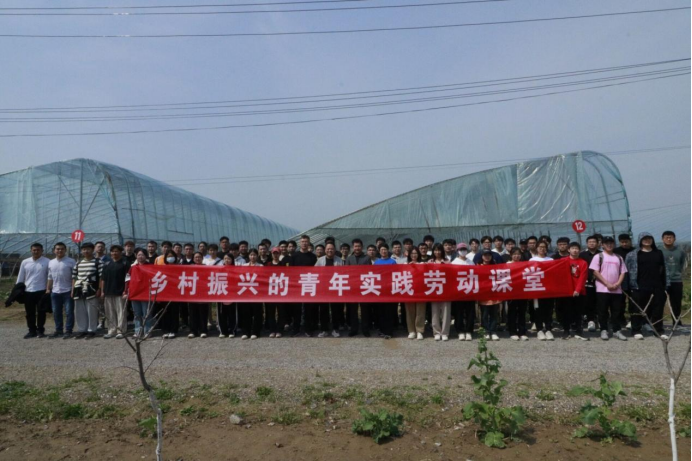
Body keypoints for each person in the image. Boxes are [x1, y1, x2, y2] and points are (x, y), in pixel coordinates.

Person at [625, 233, 668, 340]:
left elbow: (664, 269)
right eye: (644, 239)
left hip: (657, 285)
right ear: (640, 240)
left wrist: (665, 284)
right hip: (639, 286)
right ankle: (636, 329)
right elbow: (627, 270)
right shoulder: (633, 254)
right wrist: (627, 286)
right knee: (637, 309)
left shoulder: (658, 253)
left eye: (649, 238)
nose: (647, 240)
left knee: (658, 309)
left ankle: (658, 330)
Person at [590, 236, 628, 341]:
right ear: (602, 245)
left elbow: (623, 272)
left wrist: (617, 284)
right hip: (602, 289)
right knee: (602, 311)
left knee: (616, 311)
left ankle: (617, 330)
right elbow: (595, 271)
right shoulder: (598, 256)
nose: (609, 245)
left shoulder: (619, 257)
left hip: (617, 289)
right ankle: (604, 329)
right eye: (607, 243)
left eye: (611, 243)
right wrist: (607, 283)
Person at [17, 243, 50, 339]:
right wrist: (18, 289)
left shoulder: (47, 261)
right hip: (28, 291)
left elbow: (50, 276)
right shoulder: (25, 262)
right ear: (31, 251)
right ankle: (31, 331)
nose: (36, 252)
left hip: (42, 291)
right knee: (29, 313)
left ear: (42, 251)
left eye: (38, 250)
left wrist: (49, 289)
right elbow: (21, 276)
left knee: (41, 312)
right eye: (34, 250)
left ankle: (40, 330)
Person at [558, 243, 589, 341]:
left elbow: (583, 278)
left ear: (579, 250)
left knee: (578, 312)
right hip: (566, 291)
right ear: (569, 250)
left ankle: (579, 331)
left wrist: (577, 290)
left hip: (579, 291)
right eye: (573, 248)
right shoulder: (563, 261)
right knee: (566, 312)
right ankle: (566, 330)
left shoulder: (583, 262)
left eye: (576, 248)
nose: (575, 250)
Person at [72, 242, 103, 340]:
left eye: (88, 249)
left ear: (92, 250)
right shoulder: (78, 263)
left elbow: (101, 277)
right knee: (79, 310)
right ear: (81, 251)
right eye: (84, 249)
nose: (86, 251)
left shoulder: (98, 262)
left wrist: (100, 289)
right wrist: (72, 290)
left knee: (92, 310)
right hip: (79, 289)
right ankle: (82, 329)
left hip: (92, 289)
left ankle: (91, 330)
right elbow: (74, 277)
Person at [289, 236, 318, 337]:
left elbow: (316, 271)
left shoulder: (313, 257)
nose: (304, 243)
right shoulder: (294, 256)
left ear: (309, 243)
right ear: (300, 243)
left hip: (308, 285)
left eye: (306, 241)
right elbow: (290, 272)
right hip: (296, 286)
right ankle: (296, 329)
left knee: (308, 309)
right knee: (296, 309)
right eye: (302, 241)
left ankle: (308, 329)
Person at [46, 242, 76, 339]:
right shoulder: (51, 262)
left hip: (68, 290)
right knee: (56, 312)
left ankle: (68, 330)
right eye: (58, 249)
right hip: (55, 291)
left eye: (62, 249)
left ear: (65, 250)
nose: (60, 250)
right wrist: (48, 288)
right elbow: (50, 277)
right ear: (54, 250)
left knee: (69, 312)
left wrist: (73, 289)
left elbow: (74, 277)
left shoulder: (71, 261)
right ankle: (58, 330)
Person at [100, 245, 130, 340]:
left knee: (121, 313)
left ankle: (121, 331)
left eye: (117, 251)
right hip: (108, 292)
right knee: (110, 313)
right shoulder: (107, 263)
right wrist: (102, 291)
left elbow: (128, 278)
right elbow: (103, 279)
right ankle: (111, 330)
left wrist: (126, 291)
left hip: (120, 292)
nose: (114, 253)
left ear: (121, 252)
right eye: (113, 251)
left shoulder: (125, 263)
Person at [315, 243, 344, 338]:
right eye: (328, 249)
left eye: (331, 249)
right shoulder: (320, 260)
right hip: (323, 289)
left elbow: (343, 273)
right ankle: (324, 329)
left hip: (335, 288)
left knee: (336, 310)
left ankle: (335, 329)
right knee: (323, 310)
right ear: (325, 250)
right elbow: (315, 272)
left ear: (335, 250)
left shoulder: (339, 260)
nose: (330, 250)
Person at [345, 239, 373, 337]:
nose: (357, 248)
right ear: (353, 247)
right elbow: (346, 272)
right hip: (353, 288)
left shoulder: (366, 258)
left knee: (365, 310)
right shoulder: (349, 259)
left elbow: (370, 272)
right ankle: (354, 329)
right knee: (353, 310)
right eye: (355, 246)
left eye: (359, 246)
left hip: (364, 287)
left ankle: (365, 329)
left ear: (362, 247)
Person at [125, 248, 154, 336]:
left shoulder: (151, 267)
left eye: (142, 255)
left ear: (146, 256)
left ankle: (147, 331)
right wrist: (126, 291)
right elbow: (127, 280)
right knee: (137, 314)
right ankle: (137, 331)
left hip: (146, 294)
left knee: (147, 313)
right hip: (135, 294)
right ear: (136, 256)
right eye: (138, 255)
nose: (140, 257)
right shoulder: (133, 267)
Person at [661, 231, 687, 326]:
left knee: (676, 303)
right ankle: (658, 323)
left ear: (674, 239)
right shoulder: (659, 251)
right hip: (662, 281)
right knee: (659, 302)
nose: (669, 239)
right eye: (666, 237)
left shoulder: (680, 251)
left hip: (676, 280)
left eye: (671, 237)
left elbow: (681, 264)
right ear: (662, 239)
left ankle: (677, 322)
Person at [530, 242, 555, 341]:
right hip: (537, 288)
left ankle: (548, 329)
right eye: (540, 247)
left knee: (548, 309)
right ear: (536, 248)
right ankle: (539, 329)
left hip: (548, 288)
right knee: (538, 310)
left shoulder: (551, 260)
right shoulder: (532, 260)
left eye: (544, 247)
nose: (542, 249)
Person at [451, 243, 476, 341]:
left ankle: (469, 331)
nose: (463, 251)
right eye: (461, 249)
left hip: (470, 291)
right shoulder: (454, 262)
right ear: (458, 251)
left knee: (470, 312)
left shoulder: (471, 262)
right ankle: (460, 331)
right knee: (459, 312)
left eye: (464, 249)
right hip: (458, 291)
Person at [239, 249, 264, 340]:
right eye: (251, 255)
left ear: (257, 256)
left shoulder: (261, 266)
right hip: (246, 292)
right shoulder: (244, 266)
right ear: (248, 256)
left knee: (257, 313)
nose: (252, 257)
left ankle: (255, 332)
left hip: (257, 292)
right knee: (246, 313)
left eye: (254, 255)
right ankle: (246, 332)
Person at [373, 244, 397, 339]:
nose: (384, 251)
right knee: (381, 311)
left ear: (388, 250)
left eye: (385, 249)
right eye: (382, 249)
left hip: (390, 290)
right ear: (379, 251)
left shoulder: (392, 262)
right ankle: (382, 330)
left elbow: (395, 274)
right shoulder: (376, 262)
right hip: (380, 290)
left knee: (389, 311)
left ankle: (389, 331)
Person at [428, 244, 451, 342]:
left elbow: (451, 275)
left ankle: (445, 332)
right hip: (434, 289)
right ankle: (437, 332)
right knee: (435, 311)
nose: (437, 252)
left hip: (445, 289)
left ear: (442, 251)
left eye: (439, 250)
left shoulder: (447, 262)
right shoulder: (430, 262)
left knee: (446, 312)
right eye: (435, 250)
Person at [580, 235, 602, 332]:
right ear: (587, 243)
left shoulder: (602, 254)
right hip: (587, 283)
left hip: (601, 282)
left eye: (594, 242)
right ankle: (590, 320)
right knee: (589, 302)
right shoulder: (582, 255)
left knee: (601, 302)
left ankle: (601, 319)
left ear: (598, 243)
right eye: (590, 242)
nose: (592, 243)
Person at [506, 248, 529, 342]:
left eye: (518, 254)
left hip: (522, 292)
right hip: (511, 292)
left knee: (522, 312)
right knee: (512, 312)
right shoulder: (507, 264)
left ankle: (522, 332)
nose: (516, 256)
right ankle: (513, 332)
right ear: (511, 255)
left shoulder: (524, 264)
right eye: (514, 254)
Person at [479, 250, 501, 341]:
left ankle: (493, 331)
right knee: (484, 315)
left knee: (494, 314)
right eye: (485, 255)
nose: (487, 257)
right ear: (482, 257)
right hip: (483, 295)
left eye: (489, 255)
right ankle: (486, 331)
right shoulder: (478, 267)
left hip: (494, 293)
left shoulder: (496, 267)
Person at [266, 247, 288, 338]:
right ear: (271, 254)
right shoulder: (268, 264)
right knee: (270, 312)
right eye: (274, 253)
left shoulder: (283, 264)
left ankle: (279, 330)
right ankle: (272, 330)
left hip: (281, 291)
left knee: (281, 312)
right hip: (270, 292)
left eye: (277, 253)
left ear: (279, 254)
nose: (275, 255)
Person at [405, 247, 426, 341]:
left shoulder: (422, 264)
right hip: (409, 290)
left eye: (416, 253)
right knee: (409, 311)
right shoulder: (405, 264)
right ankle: (411, 331)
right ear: (409, 255)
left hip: (420, 291)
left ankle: (419, 331)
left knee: (420, 311)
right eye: (412, 253)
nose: (414, 255)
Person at [188, 252, 209, 339]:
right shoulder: (189, 268)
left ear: (202, 258)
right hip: (192, 294)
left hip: (203, 293)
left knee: (203, 313)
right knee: (193, 313)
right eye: (196, 257)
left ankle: (203, 330)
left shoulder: (206, 268)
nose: (197, 259)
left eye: (199, 257)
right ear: (193, 259)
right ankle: (193, 331)